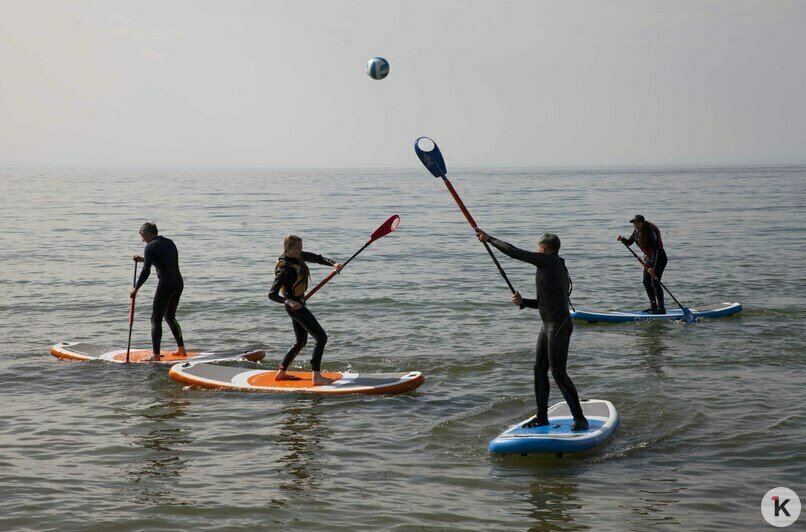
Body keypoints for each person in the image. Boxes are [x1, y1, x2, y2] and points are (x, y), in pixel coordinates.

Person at [476, 228, 589, 431]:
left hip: (559, 325)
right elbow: (546, 301)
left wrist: (489, 239)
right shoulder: (553, 265)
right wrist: (524, 302)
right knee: (539, 369)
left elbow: (515, 252)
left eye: (538, 248)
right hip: (548, 325)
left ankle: (580, 419)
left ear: (543, 248)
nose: (537, 250)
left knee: (558, 373)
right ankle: (541, 416)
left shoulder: (550, 261)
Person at [268, 235, 342, 386]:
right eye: (296, 248)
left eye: (301, 248)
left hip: (300, 303)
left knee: (300, 342)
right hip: (294, 307)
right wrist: (287, 301)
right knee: (321, 337)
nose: (300, 251)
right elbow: (272, 294)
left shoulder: (298, 256)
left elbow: (317, 258)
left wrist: (334, 264)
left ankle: (281, 373)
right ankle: (317, 377)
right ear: (287, 248)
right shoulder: (284, 269)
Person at [130, 222, 186, 361]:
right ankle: (181, 350)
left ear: (148, 233)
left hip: (166, 284)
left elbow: (146, 271)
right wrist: (144, 259)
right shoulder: (169, 243)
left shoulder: (150, 247)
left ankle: (155, 356)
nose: (142, 240)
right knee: (170, 317)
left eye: (142, 236)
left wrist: (136, 288)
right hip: (178, 283)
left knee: (155, 319)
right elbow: (163, 260)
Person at [617, 214, 668, 314]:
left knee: (655, 282)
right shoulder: (636, 231)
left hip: (659, 258)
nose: (636, 225)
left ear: (643, 223)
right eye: (634, 223)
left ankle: (661, 308)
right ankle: (653, 307)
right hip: (650, 258)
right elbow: (629, 242)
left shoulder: (650, 232)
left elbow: (655, 250)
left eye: (638, 223)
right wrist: (622, 239)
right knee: (646, 281)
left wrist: (652, 268)